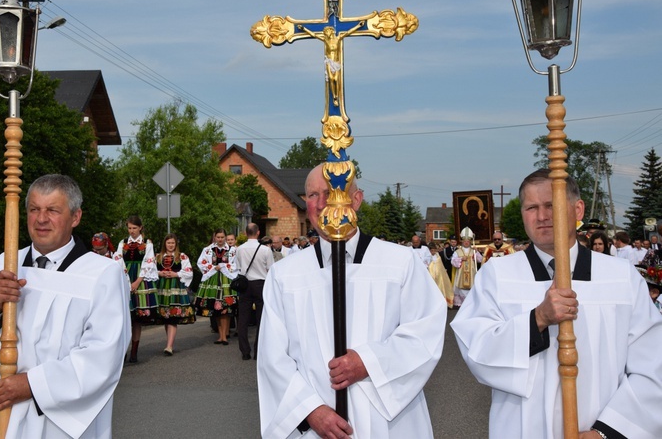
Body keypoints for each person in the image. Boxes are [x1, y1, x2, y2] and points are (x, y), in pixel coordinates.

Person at [451, 169, 662, 438]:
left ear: (578, 209)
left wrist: (608, 431)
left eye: (551, 205)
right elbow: (476, 350)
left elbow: (653, 368)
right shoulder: (497, 275)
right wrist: (537, 318)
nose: (541, 216)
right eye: (531, 207)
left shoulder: (621, 277)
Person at [258, 165, 446, 438]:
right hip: (315, 427)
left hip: (390, 424)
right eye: (312, 195)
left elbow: (424, 334)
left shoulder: (400, 263)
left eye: (332, 193)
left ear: (356, 200)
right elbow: (272, 358)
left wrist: (368, 362)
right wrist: (311, 411)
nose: (322, 204)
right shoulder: (284, 274)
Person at [0, 174, 131, 438]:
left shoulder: (102, 274)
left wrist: (33, 384)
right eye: (34, 209)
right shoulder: (4, 264)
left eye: (52, 210)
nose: (41, 219)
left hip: (58, 418)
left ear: (75, 217)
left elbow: (104, 354)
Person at [113, 215, 157, 363]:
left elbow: (148, 262)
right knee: (125, 316)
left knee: (137, 317)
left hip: (140, 278)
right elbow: (118, 259)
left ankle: (134, 351)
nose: (131, 231)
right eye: (129, 228)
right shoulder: (123, 242)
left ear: (140, 228)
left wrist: (137, 281)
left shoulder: (147, 243)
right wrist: (126, 279)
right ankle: (123, 350)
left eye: (134, 228)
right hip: (125, 276)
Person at [235, 224, 274, 361]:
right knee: (261, 318)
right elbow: (270, 269)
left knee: (243, 318)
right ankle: (258, 350)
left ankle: (245, 351)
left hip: (245, 284)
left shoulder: (239, 249)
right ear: (258, 233)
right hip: (260, 283)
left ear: (246, 233)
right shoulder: (265, 250)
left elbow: (238, 267)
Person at [195, 229, 238, 345]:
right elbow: (200, 263)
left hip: (226, 279)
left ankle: (225, 334)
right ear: (214, 237)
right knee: (216, 308)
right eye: (218, 237)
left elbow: (237, 264)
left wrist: (224, 266)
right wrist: (213, 267)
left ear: (225, 237)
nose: (220, 239)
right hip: (212, 279)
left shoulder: (233, 250)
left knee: (226, 307)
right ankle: (221, 335)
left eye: (222, 237)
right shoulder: (208, 250)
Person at [155, 233, 195, 356]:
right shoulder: (158, 257)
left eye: (173, 243)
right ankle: (169, 342)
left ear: (176, 244)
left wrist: (176, 274)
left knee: (172, 316)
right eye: (168, 243)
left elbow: (189, 272)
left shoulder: (181, 257)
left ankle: (169, 346)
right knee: (166, 316)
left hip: (175, 287)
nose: (171, 245)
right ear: (165, 244)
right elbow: (149, 270)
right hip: (162, 288)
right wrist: (160, 273)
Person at [451, 228, 482, 308]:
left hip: (472, 275)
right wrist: (461, 259)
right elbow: (453, 262)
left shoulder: (473, 251)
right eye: (465, 241)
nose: (466, 242)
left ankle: (471, 304)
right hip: (461, 275)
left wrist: (477, 252)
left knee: (471, 289)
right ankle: (461, 304)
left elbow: (480, 260)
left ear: (470, 242)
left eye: (468, 241)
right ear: (462, 241)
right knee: (461, 289)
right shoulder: (457, 251)